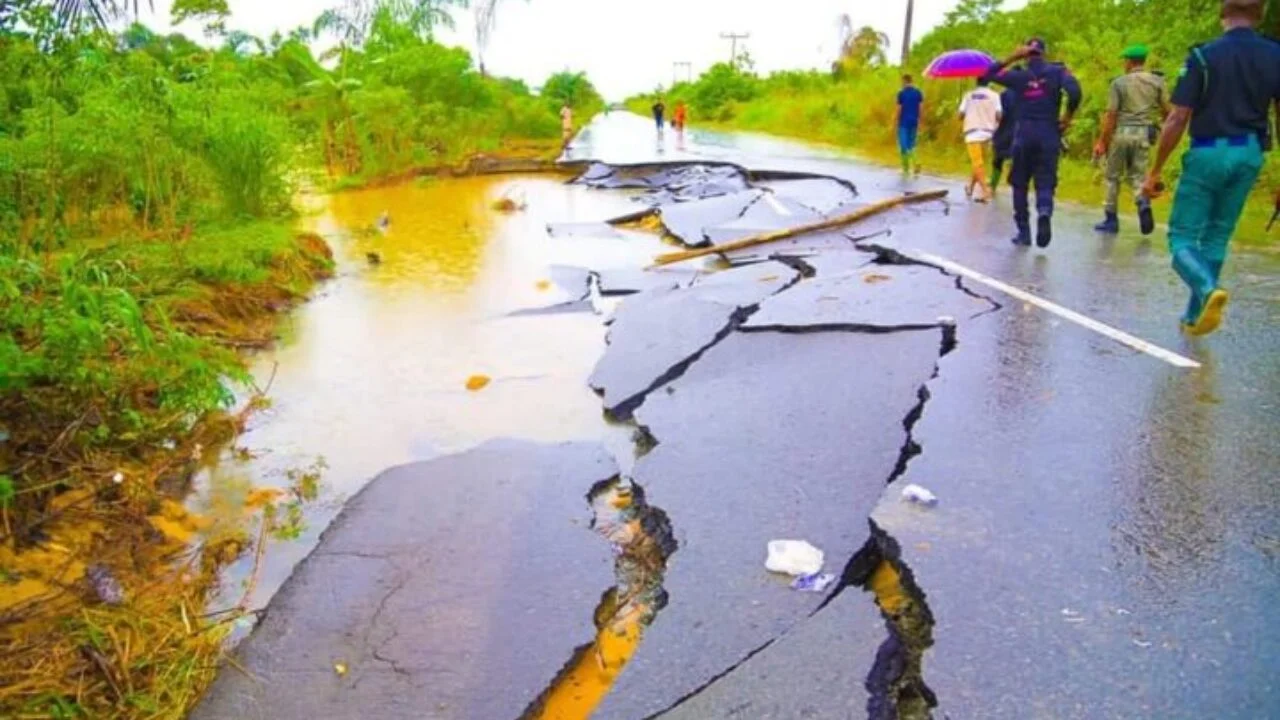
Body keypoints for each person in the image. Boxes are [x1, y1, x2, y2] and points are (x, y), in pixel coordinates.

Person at [1141, 0, 1280, 335]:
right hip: (1249, 152)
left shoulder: (1203, 56)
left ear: (1223, 13)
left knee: (1182, 237)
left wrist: (1155, 169)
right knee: (1218, 235)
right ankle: (1194, 317)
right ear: (1259, 14)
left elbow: (1177, 117)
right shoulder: (1275, 54)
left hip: (1208, 151)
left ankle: (1205, 290)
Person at [985, 38, 1082, 248]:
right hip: (1049, 134)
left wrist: (1013, 56)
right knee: (1046, 180)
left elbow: (987, 75)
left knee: (1019, 183)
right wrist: (1067, 116)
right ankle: (1044, 211)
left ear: (1027, 54)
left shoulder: (1019, 76)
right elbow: (1075, 92)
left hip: (1023, 135)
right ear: (1044, 53)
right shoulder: (1058, 72)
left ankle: (1024, 232)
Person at [1092, 45, 1169, 235]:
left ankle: (1111, 219)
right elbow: (1168, 111)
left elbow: (1111, 115)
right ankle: (1142, 202)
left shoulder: (1119, 83)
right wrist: (1159, 126)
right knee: (1138, 175)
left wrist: (1103, 141)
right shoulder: (1157, 82)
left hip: (1121, 133)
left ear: (1128, 61)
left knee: (1112, 176)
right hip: (1143, 133)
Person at [958, 77, 1003, 202]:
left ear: (976, 82)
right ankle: (970, 186)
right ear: (988, 82)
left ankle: (985, 190)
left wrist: (964, 113)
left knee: (977, 163)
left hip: (972, 132)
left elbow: (960, 115)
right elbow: (999, 115)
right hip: (988, 132)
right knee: (979, 162)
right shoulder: (995, 96)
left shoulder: (968, 95)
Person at [991, 83, 1019, 196]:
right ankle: (1013, 176)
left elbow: (999, 114)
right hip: (1020, 131)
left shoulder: (1004, 95)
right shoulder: (1026, 95)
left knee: (998, 159)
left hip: (1004, 130)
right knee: (1016, 155)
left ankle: (993, 184)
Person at [895, 74, 924, 176]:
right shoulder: (918, 93)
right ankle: (915, 163)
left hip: (904, 123)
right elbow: (920, 108)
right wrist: (920, 121)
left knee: (904, 146)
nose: (901, 84)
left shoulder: (901, 93)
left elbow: (899, 109)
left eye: (902, 81)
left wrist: (896, 120)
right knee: (912, 145)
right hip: (914, 122)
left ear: (905, 81)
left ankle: (907, 168)